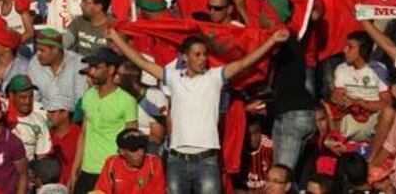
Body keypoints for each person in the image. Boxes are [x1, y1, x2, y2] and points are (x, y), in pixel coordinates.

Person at [109, 26, 290, 193]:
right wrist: (116, 38)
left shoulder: (214, 77)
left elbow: (243, 64)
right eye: (197, 54)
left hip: (207, 161)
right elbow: (141, 62)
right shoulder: (173, 78)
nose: (203, 58)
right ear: (184, 57)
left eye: (205, 54)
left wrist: (272, 41)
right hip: (177, 160)